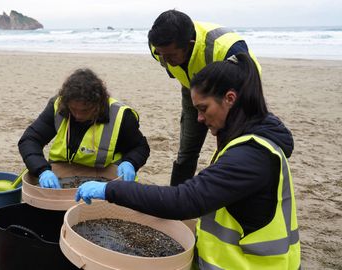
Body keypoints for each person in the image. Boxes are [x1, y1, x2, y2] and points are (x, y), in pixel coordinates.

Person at [76, 53, 300, 269]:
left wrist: (110, 191)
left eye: (203, 109)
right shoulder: (249, 141)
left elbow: (184, 201)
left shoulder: (250, 156)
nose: (200, 119)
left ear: (230, 99)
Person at [148, 9, 261, 186]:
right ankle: (176, 202)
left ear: (190, 44)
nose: (165, 59)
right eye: (161, 54)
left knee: (228, 148)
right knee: (187, 150)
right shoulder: (158, 47)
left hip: (235, 94)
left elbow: (249, 87)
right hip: (192, 89)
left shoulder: (226, 49)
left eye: (170, 55)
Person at [18, 68, 150, 188]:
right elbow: (30, 139)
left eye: (85, 110)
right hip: (62, 175)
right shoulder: (58, 106)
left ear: (98, 104)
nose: (78, 115)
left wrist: (130, 163)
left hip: (106, 181)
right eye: (73, 109)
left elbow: (140, 147)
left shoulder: (121, 116)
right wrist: (42, 170)